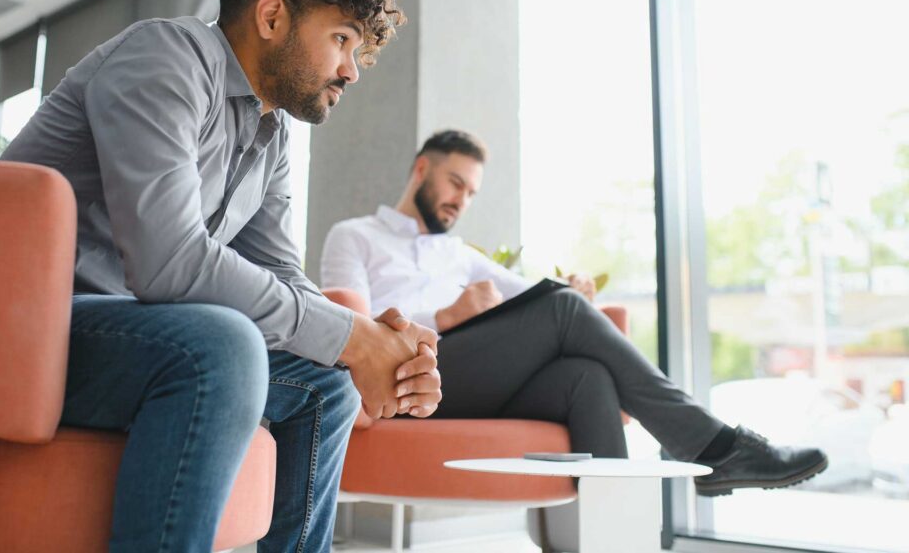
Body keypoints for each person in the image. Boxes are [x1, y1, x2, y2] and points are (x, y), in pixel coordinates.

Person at [1, 0, 441, 553]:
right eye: (342, 40)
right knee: (222, 345)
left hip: (114, 340)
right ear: (272, 17)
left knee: (327, 385)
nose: (351, 70)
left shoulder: (271, 134)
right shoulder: (164, 59)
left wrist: (382, 351)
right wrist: (353, 336)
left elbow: (282, 274)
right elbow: (169, 263)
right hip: (20, 334)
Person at [320, 129, 828, 499]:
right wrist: (442, 317)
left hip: (473, 382)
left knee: (584, 376)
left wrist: (576, 291)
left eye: (471, 193)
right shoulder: (355, 235)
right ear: (422, 170)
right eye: (455, 183)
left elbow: (543, 299)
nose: (461, 201)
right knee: (562, 311)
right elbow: (354, 332)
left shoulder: (463, 256)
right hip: (403, 383)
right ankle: (715, 445)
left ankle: (620, 533)